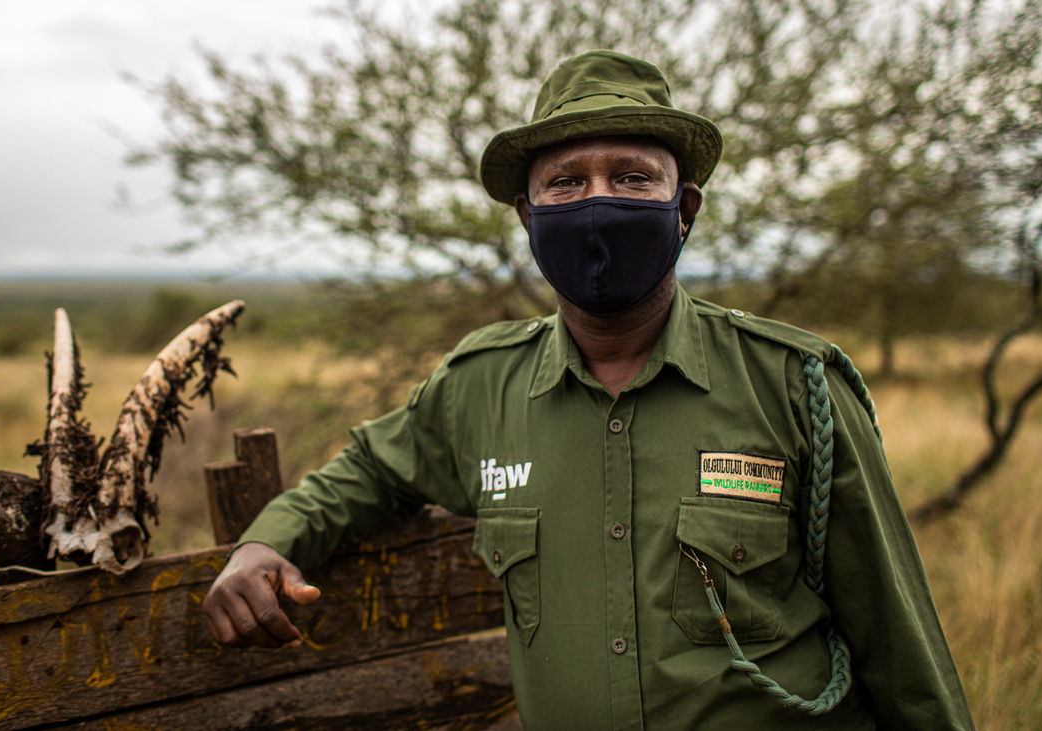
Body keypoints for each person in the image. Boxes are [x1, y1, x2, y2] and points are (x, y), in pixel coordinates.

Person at [202, 50, 976, 730]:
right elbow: (368, 470)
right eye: (566, 182)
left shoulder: (794, 384)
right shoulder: (479, 387)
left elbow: (900, 647)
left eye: (632, 177)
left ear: (686, 209)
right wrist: (268, 543)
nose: (597, 202)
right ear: (526, 215)